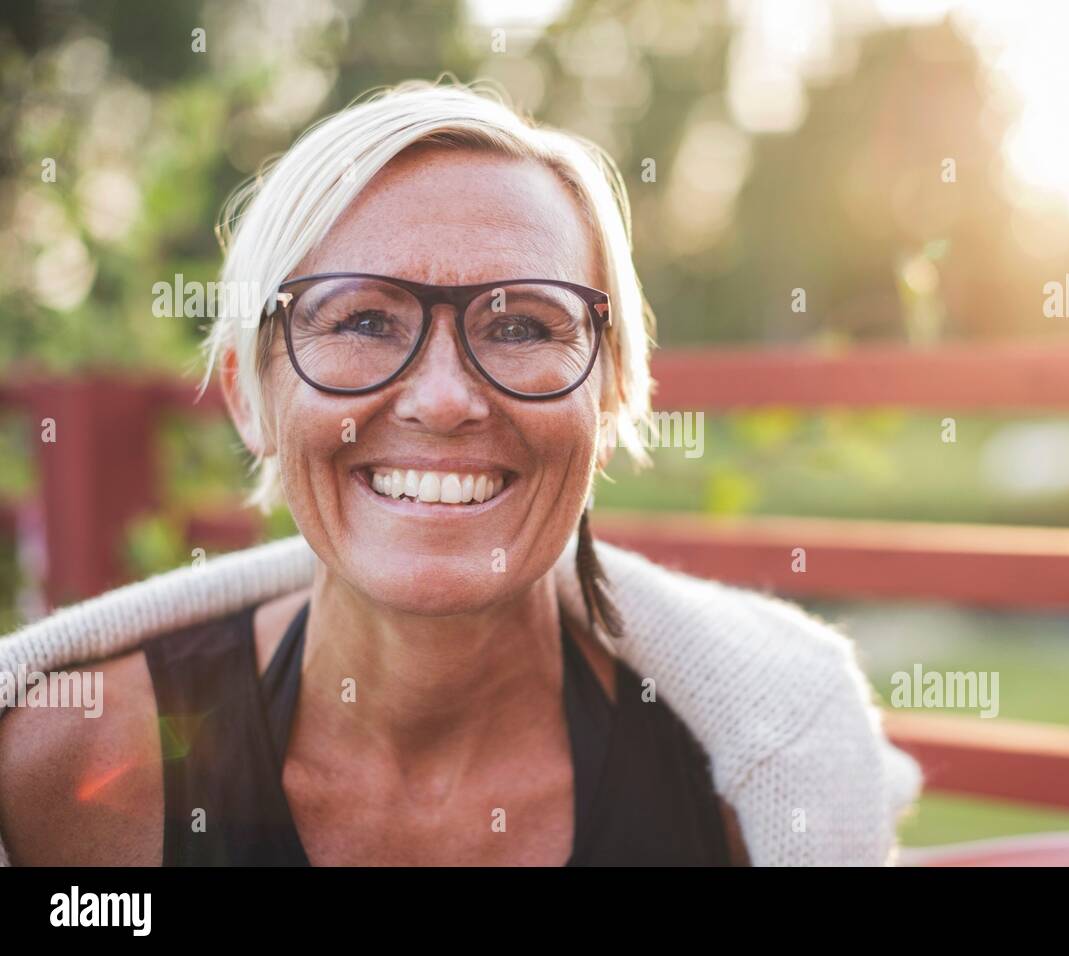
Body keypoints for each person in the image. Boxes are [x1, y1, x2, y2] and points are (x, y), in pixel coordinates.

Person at [0, 80, 920, 866]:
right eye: (361, 320)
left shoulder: (746, 789)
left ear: (609, 402)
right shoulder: (67, 779)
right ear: (249, 398)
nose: (443, 400)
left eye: (522, 326)